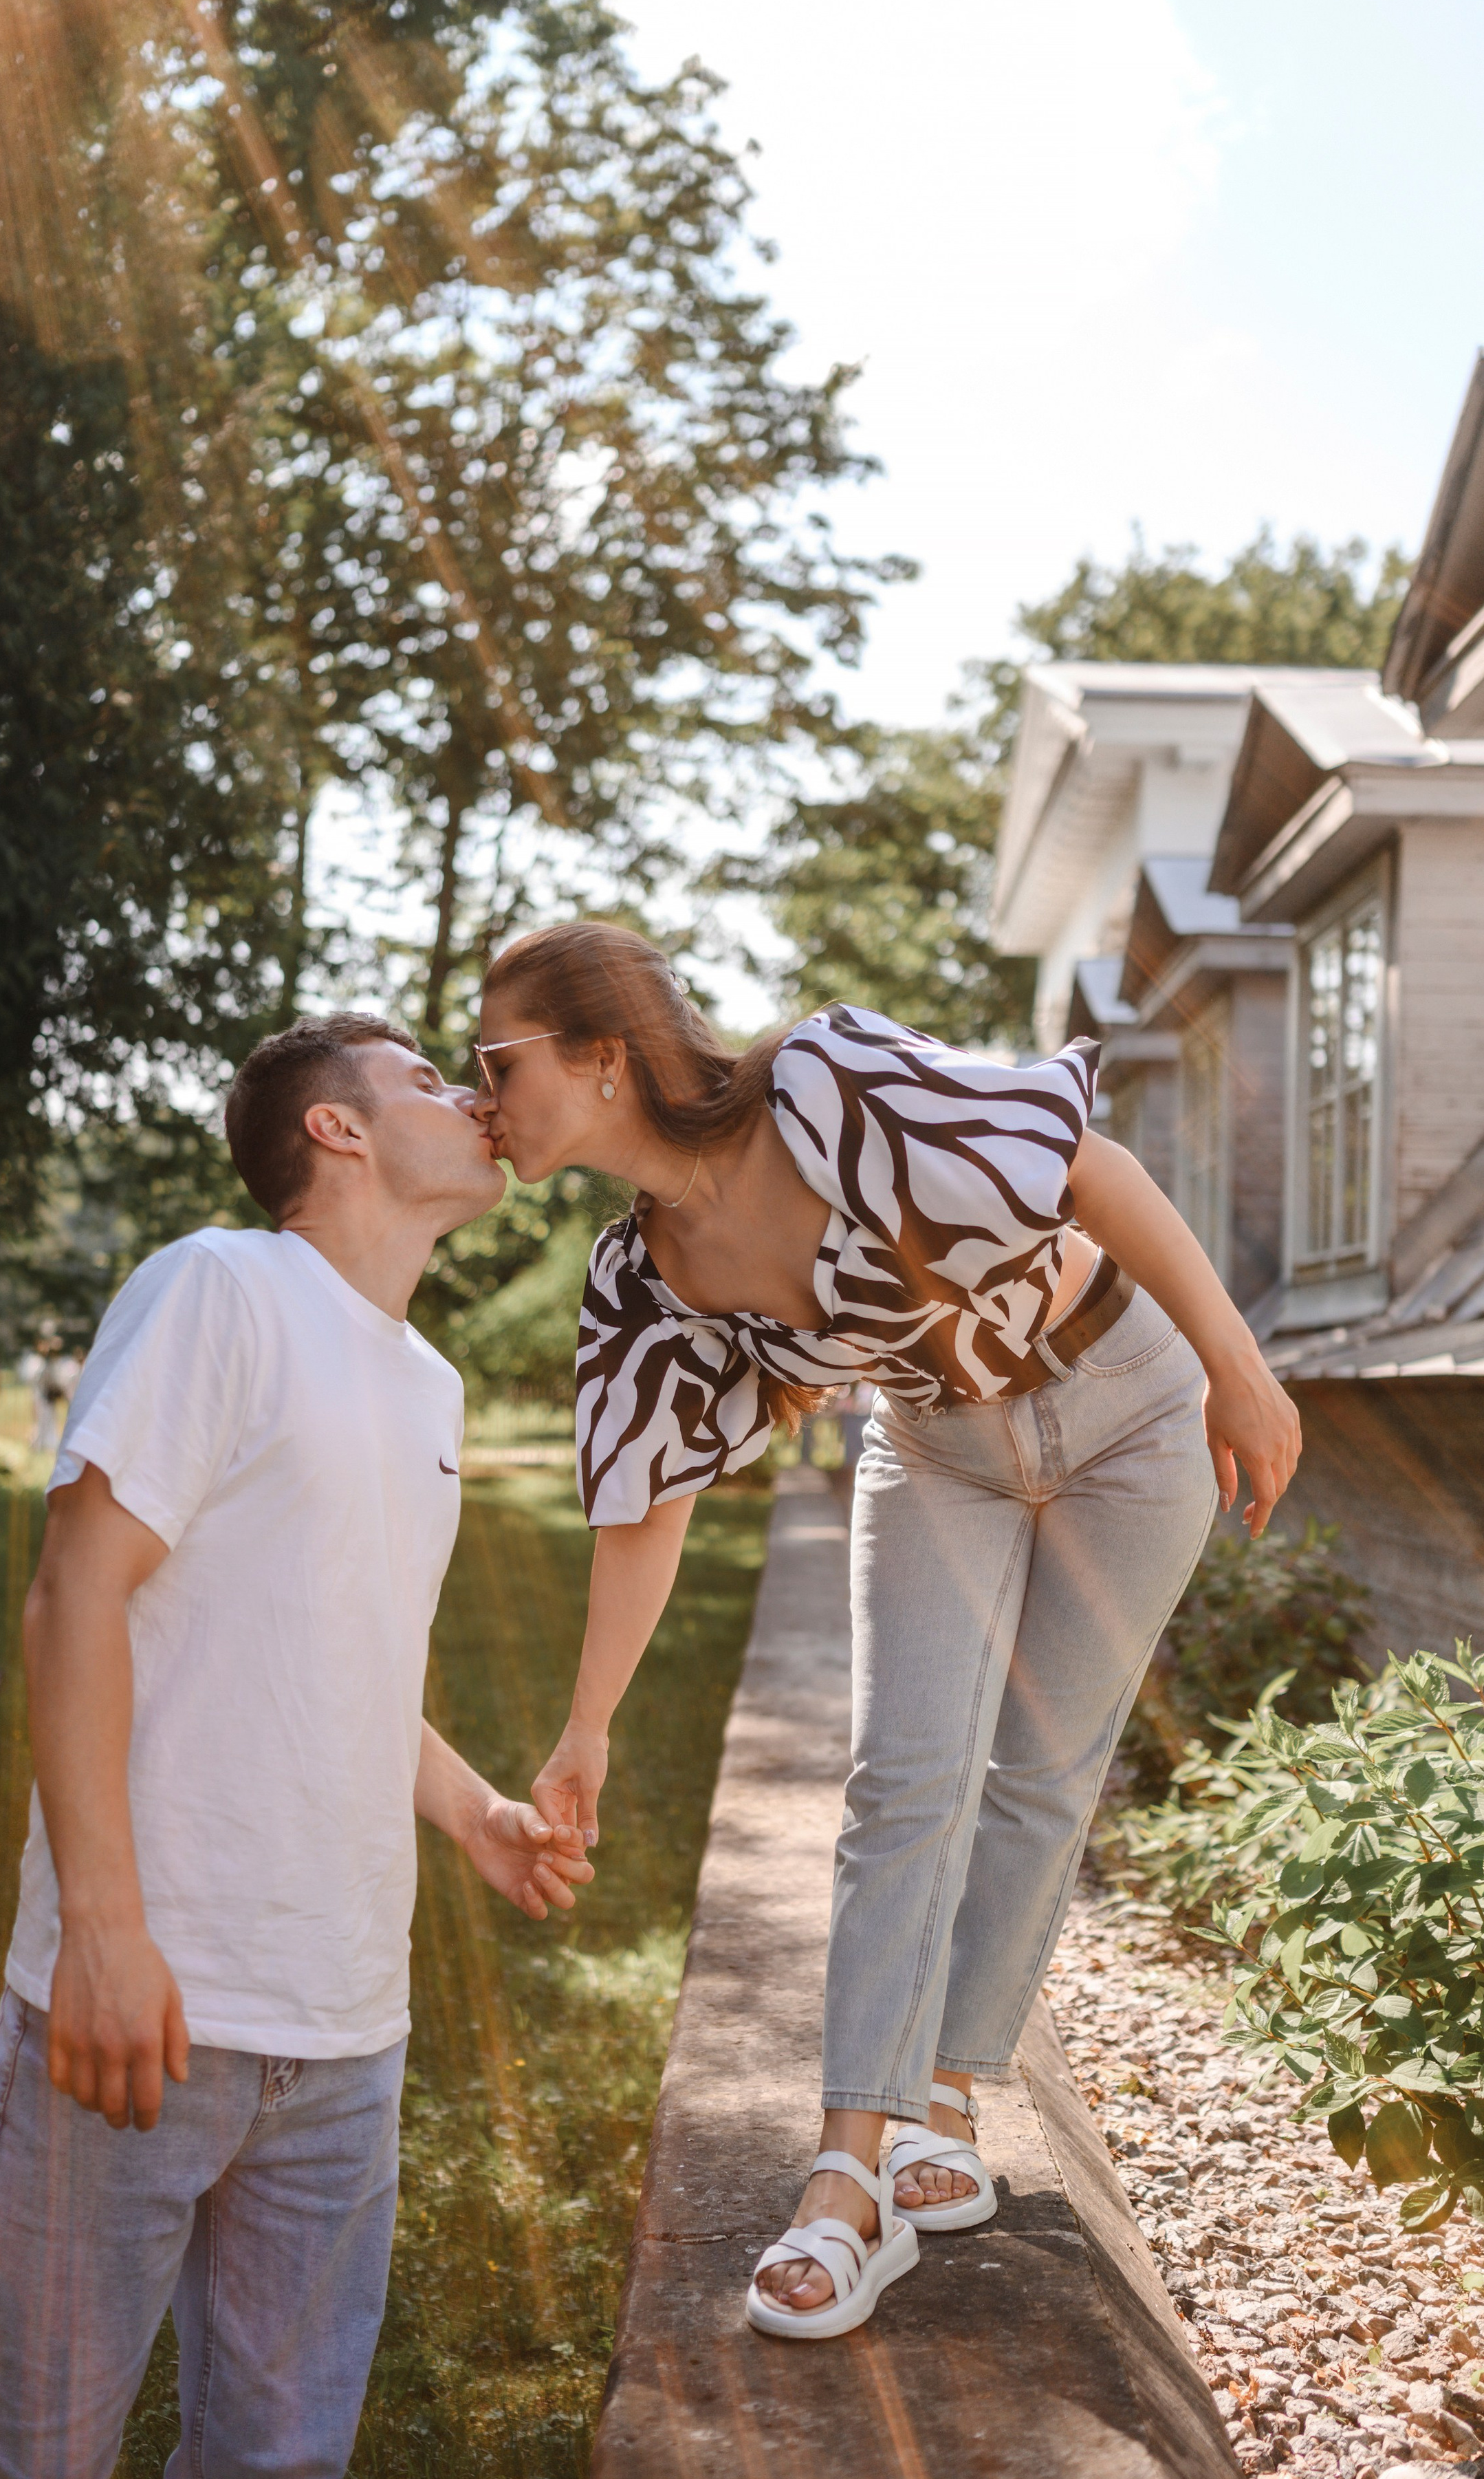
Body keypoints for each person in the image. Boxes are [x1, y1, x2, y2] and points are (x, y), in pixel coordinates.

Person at [472, 924, 1300, 2342]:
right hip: (936, 1449)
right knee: (901, 1782)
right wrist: (587, 1725)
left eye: (497, 1062)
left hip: (1129, 1408)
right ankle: (844, 2186)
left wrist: (1242, 1370)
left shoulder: (823, 1080)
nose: (477, 1094)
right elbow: (647, 1505)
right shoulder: (641, 1277)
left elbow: (1088, 1169)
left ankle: (944, 2100)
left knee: (1042, 1777)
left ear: (603, 1057)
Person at [0, 1012, 593, 2479]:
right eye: (426, 1077)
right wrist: (101, 1933)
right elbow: (76, 1595)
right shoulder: (219, 1287)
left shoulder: (426, 1384)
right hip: (146, 2008)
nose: (472, 1095)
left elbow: (340, 1649)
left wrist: (468, 1811)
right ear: (335, 1130)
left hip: (345, 2033)